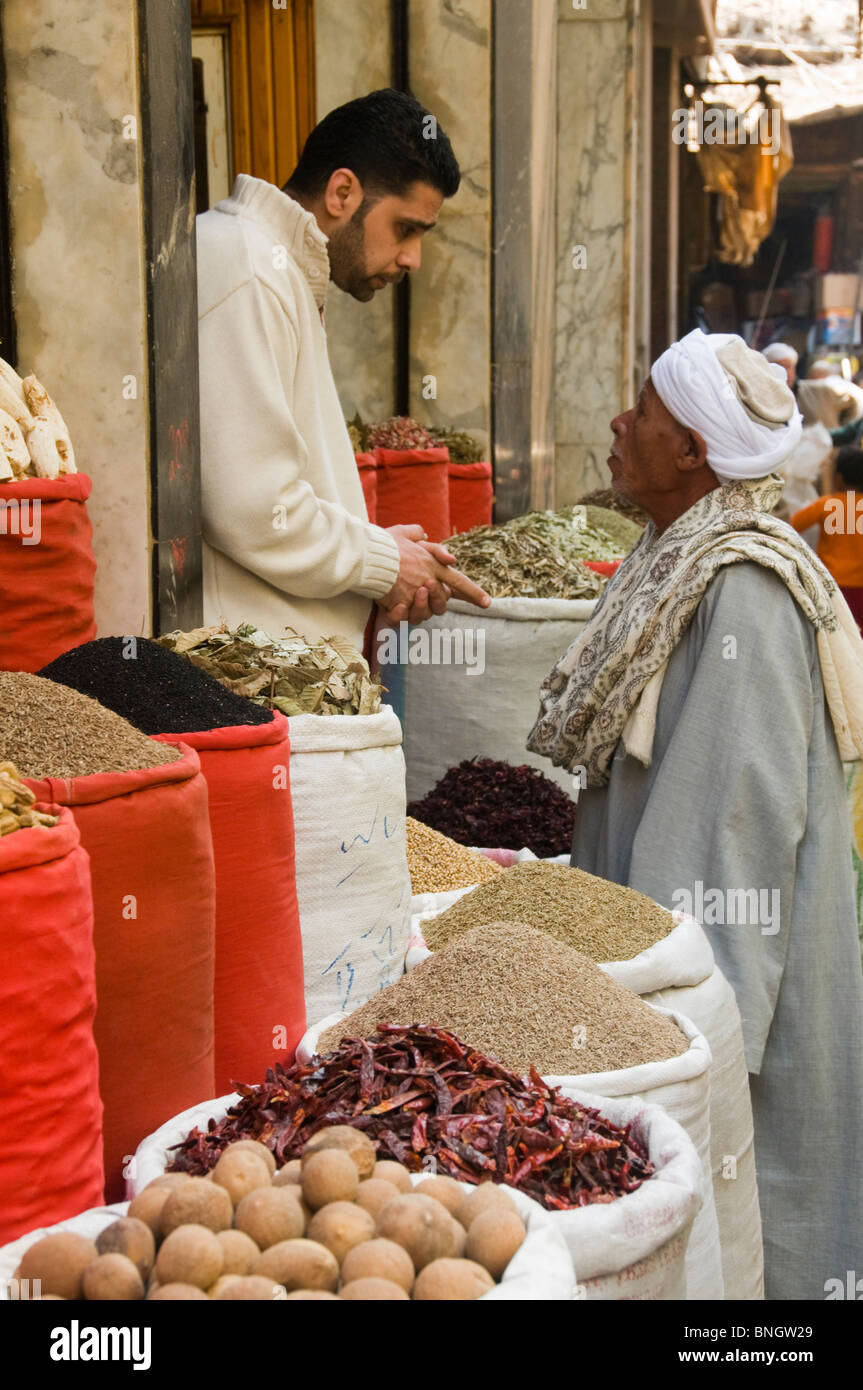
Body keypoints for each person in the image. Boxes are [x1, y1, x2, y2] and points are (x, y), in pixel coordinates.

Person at [528, 328, 863, 1301]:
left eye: (641, 409)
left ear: (692, 452)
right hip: (666, 975)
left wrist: (676, 1059)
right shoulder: (674, 556)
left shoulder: (745, 588)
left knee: (751, 1250)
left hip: (726, 1010)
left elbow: (722, 853)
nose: (615, 421)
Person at [196, 89, 488, 646]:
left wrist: (375, 547)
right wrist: (382, 561)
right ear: (342, 191)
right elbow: (253, 510)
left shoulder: (275, 266)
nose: (412, 259)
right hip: (249, 681)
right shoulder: (247, 266)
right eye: (406, 229)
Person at [791, 446, 863, 628]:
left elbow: (791, 526)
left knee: (837, 635)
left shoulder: (826, 505)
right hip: (861, 588)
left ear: (838, 478)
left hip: (831, 586)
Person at [761, 342, 831, 528]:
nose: (787, 373)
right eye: (780, 366)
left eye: (789, 367)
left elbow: (815, 430)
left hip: (801, 477)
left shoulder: (805, 393)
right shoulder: (757, 395)